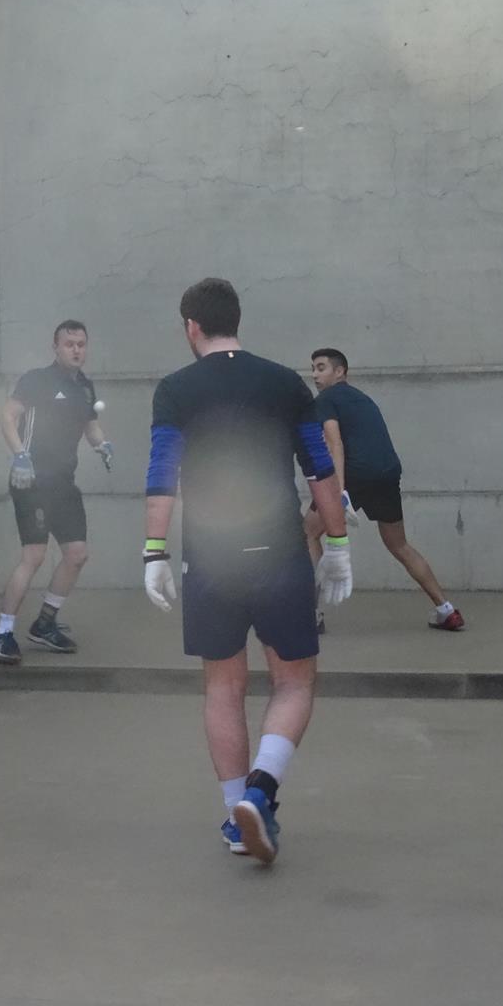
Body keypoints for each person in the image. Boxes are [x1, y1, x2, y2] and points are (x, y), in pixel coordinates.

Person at [143, 279, 352, 866]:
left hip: (208, 559)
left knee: (222, 686)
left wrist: (154, 551)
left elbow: (163, 473)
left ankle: (238, 817)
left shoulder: (175, 390)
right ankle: (262, 790)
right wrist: (336, 543)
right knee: (293, 682)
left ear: (191, 326)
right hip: (280, 554)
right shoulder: (286, 383)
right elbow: (319, 469)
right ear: (237, 320)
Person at [305, 349, 464, 632]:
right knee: (399, 545)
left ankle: (311, 615)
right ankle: (446, 610)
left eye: (321, 368)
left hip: (354, 475)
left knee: (306, 533)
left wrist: (339, 491)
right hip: (388, 473)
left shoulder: (326, 400)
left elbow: (334, 444)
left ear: (340, 372)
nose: (315, 375)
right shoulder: (364, 399)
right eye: (313, 369)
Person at [0, 320, 112, 663]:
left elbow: (90, 425)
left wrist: (102, 445)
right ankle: (2, 633)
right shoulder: (37, 380)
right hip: (32, 482)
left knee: (77, 554)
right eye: (69, 344)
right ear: (55, 347)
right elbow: (6, 416)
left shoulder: (84, 387)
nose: (76, 350)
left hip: (63, 484)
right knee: (34, 556)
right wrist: (20, 457)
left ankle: (44, 623)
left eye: (81, 344)